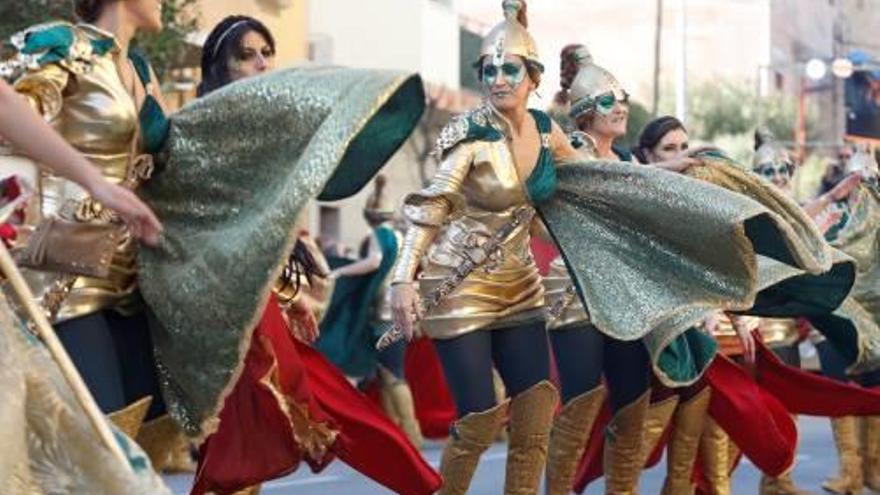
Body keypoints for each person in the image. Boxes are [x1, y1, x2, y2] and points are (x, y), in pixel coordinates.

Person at [184, 15, 440, 495]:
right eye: (247, 55)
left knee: (261, 419)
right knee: (271, 406)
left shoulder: (261, 128)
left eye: (267, 52)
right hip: (212, 297)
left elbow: (266, 225)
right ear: (220, 67)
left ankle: (420, 479)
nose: (262, 62)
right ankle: (421, 480)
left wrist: (291, 296)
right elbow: (218, 223)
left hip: (253, 294)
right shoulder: (207, 127)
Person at [1, 0, 178, 460]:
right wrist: (94, 181)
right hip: (62, 279)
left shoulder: (141, 70)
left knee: (142, 453)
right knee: (99, 454)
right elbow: (8, 113)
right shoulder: (63, 44)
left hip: (132, 285)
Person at [318, 175, 424, 448]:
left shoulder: (379, 236)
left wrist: (340, 270)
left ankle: (409, 434)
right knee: (389, 374)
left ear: (370, 216)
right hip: (399, 313)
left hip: (383, 316)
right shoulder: (402, 237)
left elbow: (374, 261)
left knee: (392, 374)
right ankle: (400, 434)